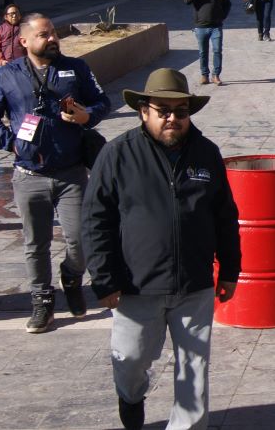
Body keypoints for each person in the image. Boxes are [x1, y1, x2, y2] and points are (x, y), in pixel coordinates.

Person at [82, 68, 239, 430]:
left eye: (180, 111)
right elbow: (95, 220)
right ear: (144, 111)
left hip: (193, 285)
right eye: (163, 110)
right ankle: (131, 395)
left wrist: (230, 269)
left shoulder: (206, 153)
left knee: (194, 373)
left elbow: (225, 216)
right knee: (131, 360)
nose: (172, 118)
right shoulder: (117, 155)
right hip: (136, 286)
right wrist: (105, 279)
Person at [0, 13, 111, 332]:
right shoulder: (6, 75)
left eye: (53, 33)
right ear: (24, 41)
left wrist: (86, 116)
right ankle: (42, 300)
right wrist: (10, 143)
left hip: (72, 173)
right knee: (35, 243)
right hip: (29, 175)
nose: (52, 38)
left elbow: (101, 102)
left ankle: (72, 275)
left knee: (80, 239)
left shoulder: (75, 69)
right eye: (43, 34)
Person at [184, 0, 232, 86]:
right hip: (201, 27)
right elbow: (186, 1)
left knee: (217, 50)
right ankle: (204, 75)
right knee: (203, 52)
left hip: (216, 27)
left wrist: (222, 16)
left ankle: (216, 75)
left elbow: (228, 4)